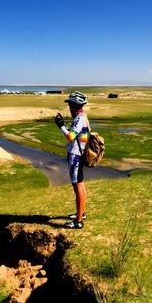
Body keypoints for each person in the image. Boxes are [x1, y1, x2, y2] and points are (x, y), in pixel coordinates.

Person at [54, 91, 90, 229]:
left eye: (69, 104)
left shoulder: (80, 119)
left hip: (75, 156)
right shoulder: (83, 117)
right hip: (78, 155)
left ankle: (79, 221)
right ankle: (82, 212)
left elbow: (70, 136)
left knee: (77, 186)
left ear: (74, 105)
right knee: (80, 184)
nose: (68, 107)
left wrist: (61, 126)